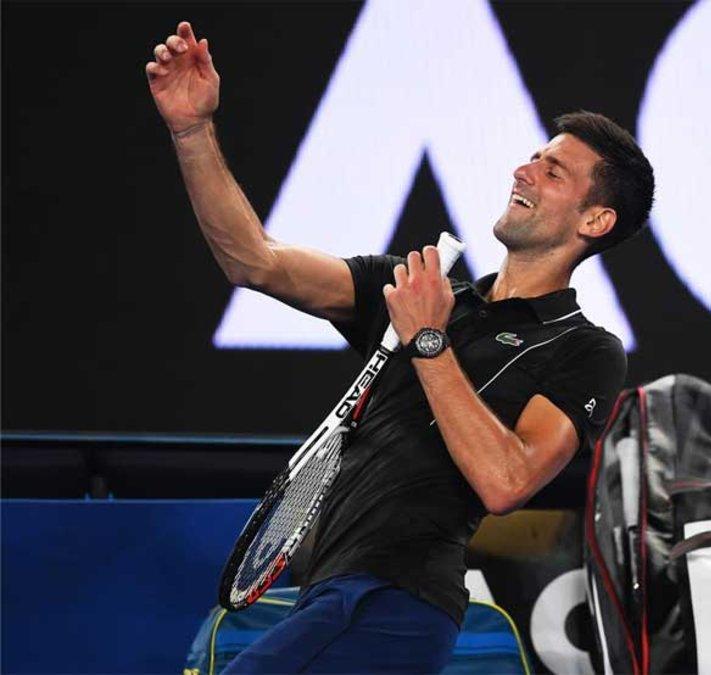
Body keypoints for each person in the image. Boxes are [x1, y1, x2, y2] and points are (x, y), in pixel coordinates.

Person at [146, 20, 654, 673]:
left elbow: (506, 480)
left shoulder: (583, 348)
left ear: (594, 220)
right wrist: (192, 131)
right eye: (534, 154)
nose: (524, 169)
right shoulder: (420, 292)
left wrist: (428, 340)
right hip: (334, 591)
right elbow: (255, 261)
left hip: (396, 601)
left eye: (553, 170)